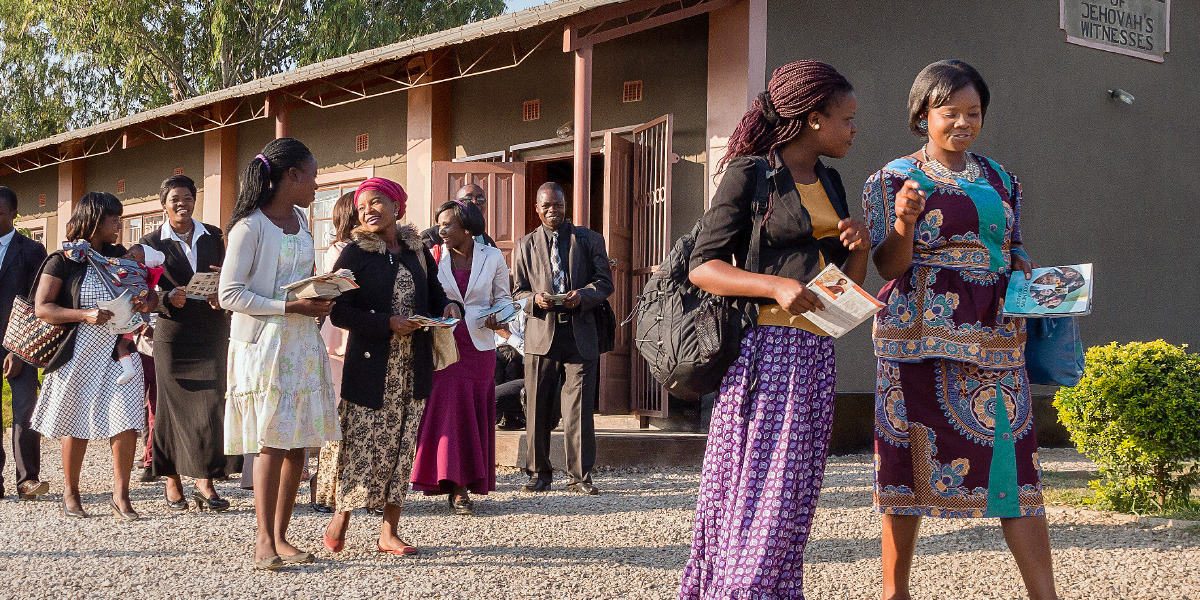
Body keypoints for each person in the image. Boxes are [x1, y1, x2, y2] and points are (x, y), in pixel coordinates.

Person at [864, 60, 1057, 600]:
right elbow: (887, 267)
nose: (964, 123)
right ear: (923, 113)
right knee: (905, 468)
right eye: (951, 112)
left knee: (1015, 471)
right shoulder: (891, 179)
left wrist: (1022, 265)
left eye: (974, 113)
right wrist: (903, 222)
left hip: (995, 341)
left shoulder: (1002, 179)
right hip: (914, 342)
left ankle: (1046, 595)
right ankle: (894, 592)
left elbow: (1012, 247)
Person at [678, 60, 868, 600]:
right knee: (763, 496)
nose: (855, 129)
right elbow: (703, 266)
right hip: (764, 356)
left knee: (792, 503)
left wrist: (861, 251)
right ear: (813, 118)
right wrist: (773, 287)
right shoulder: (751, 173)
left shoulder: (830, 182)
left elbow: (840, 295)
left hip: (814, 354)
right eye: (847, 119)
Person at [317, 177, 459, 555]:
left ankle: (388, 531)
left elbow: (435, 293)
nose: (369, 211)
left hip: (412, 367)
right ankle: (340, 519)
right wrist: (386, 323)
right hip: (370, 367)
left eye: (377, 202)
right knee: (359, 446)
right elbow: (340, 311)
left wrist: (448, 306)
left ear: (397, 206)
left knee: (401, 447)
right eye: (363, 207)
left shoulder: (417, 250)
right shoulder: (354, 254)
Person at [219, 138, 340, 570]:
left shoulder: (303, 221)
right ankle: (263, 540)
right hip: (264, 346)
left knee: (298, 443)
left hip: (302, 342)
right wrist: (290, 306)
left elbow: (296, 278)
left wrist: (320, 294)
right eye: (312, 175)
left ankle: (284, 536)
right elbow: (230, 293)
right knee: (271, 439)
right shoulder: (249, 227)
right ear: (291, 176)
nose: (315, 183)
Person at [30, 192, 156, 520]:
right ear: (95, 219)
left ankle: (121, 496)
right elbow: (44, 308)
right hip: (79, 351)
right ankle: (71, 493)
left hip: (120, 352)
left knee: (127, 420)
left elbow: (149, 294)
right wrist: (84, 314)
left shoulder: (122, 256)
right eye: (115, 218)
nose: (120, 224)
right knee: (77, 421)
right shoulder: (64, 259)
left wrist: (146, 300)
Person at [139, 174, 240, 512]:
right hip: (172, 334)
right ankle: (171, 480)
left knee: (211, 406)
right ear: (163, 204)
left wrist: (219, 296)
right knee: (171, 409)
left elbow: (228, 275)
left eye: (187, 197)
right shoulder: (151, 243)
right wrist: (167, 297)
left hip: (210, 330)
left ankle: (204, 481)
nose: (182, 203)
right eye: (175, 198)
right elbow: (140, 291)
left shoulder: (213, 235)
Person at [511, 182, 613, 495]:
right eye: (546, 206)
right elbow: (517, 293)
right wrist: (534, 300)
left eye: (558, 204)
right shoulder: (525, 245)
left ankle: (580, 477)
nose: (553, 210)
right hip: (541, 334)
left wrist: (581, 295)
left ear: (565, 205)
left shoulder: (590, 239)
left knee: (579, 409)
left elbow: (605, 283)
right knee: (538, 406)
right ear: (537, 209)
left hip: (580, 332)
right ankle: (539, 474)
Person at [411, 199, 511, 515]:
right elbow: (423, 297)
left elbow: (504, 300)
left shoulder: (493, 256)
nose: (441, 229)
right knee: (447, 412)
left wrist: (500, 317)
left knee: (471, 416)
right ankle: (455, 487)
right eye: (438, 223)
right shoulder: (432, 256)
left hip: (480, 346)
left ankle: (465, 483)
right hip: (444, 346)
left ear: (466, 227)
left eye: (448, 224)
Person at [0, 186, 49, 501]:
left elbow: (36, 303)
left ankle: (27, 480)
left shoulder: (33, 252)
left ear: (15, 213)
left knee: (24, 411)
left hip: (20, 346)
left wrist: (18, 351)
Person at [311, 190, 358, 514]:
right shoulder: (338, 251)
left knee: (356, 420)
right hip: (340, 340)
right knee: (335, 417)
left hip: (362, 339)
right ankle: (321, 484)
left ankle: (350, 487)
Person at [420, 184, 496, 249]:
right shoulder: (430, 237)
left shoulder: (488, 242)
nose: (475, 202)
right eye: (468, 198)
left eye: (480, 198)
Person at [494, 306, 527, 431]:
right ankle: (498, 416)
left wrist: (508, 336)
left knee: (511, 377)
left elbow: (524, 337)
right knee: (497, 379)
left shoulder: (519, 310)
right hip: (497, 351)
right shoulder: (491, 308)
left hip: (514, 350)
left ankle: (512, 417)